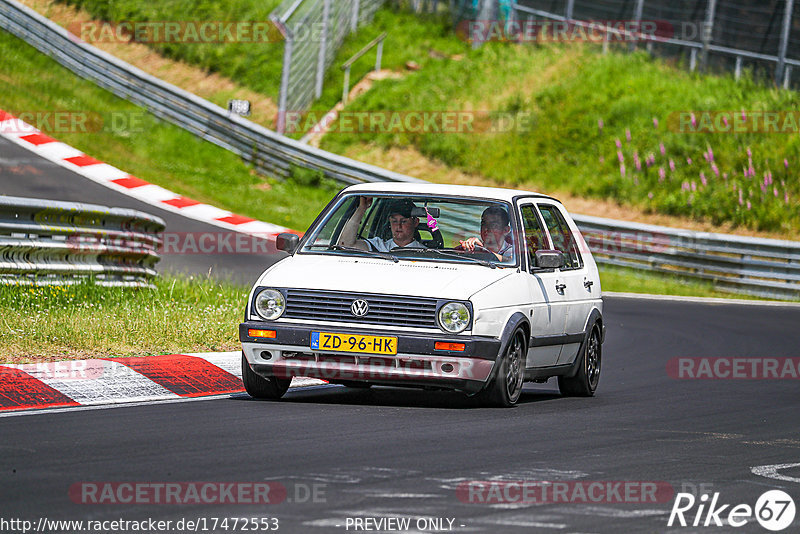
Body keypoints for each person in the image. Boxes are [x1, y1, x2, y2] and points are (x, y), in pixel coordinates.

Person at [338, 197, 425, 252]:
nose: (398, 226)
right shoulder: (377, 246)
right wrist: (362, 208)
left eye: (403, 221)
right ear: (389, 222)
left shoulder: (425, 252)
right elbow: (345, 245)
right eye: (394, 221)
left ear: (415, 222)